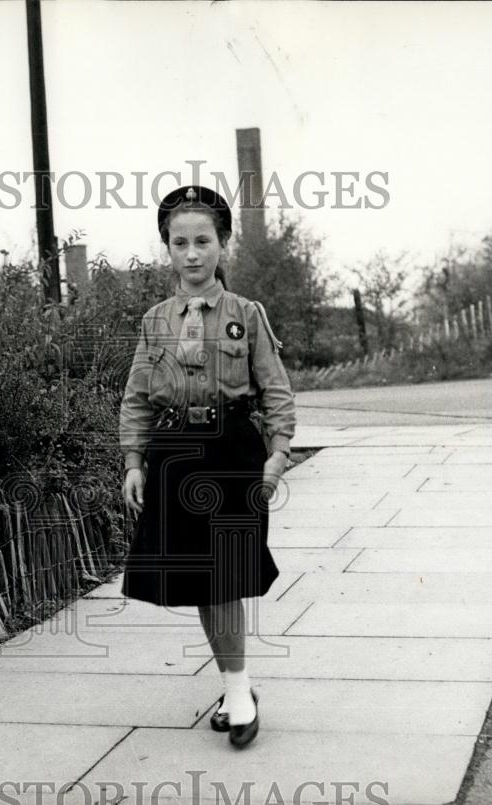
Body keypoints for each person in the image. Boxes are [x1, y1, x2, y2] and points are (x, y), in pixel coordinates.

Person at [118, 184, 297, 749]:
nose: (192, 254)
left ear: (222, 244)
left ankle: (238, 694)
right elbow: (137, 398)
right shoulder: (155, 321)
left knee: (227, 574)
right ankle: (236, 687)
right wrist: (133, 461)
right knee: (202, 578)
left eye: (203, 241)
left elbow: (276, 390)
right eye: (180, 243)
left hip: (233, 452)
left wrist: (278, 454)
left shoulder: (247, 315)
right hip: (176, 454)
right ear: (167, 248)